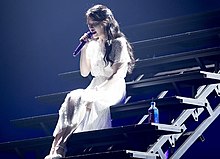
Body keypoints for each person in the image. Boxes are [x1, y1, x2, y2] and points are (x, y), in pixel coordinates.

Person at [45, 4, 135, 159]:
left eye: (94, 24)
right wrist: (85, 48)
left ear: (105, 22)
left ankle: (60, 148)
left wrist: (100, 90)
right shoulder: (93, 44)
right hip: (95, 84)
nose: (91, 28)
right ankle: (56, 147)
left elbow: (118, 75)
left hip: (112, 87)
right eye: (89, 25)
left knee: (82, 97)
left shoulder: (118, 43)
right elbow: (84, 72)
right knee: (73, 97)